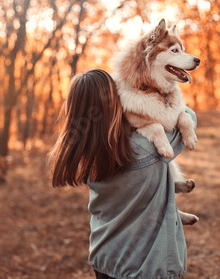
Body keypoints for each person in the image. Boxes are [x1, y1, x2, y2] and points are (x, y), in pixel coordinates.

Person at [49, 69, 197, 279]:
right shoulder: (146, 146)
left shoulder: (84, 152)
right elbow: (189, 116)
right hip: (147, 266)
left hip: (105, 259)